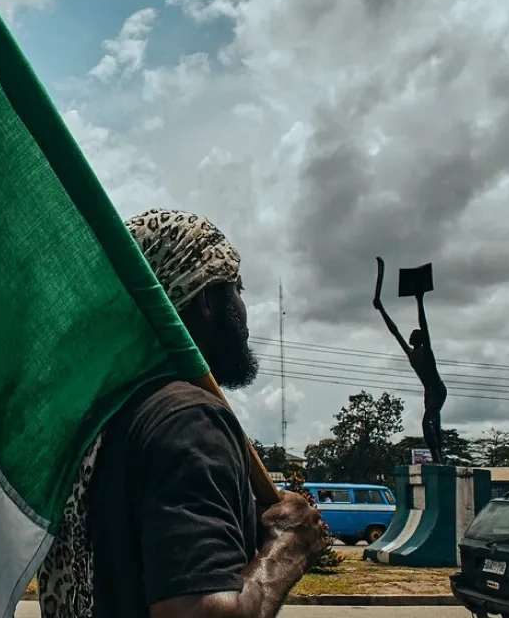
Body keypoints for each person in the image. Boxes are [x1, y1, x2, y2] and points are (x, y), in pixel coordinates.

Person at [38, 209, 328, 618]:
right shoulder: (188, 420)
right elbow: (195, 611)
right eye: (237, 288)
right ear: (207, 298)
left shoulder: (100, 419)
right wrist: (288, 549)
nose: (245, 310)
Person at [373, 289, 448, 464]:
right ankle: (439, 456)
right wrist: (381, 309)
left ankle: (437, 458)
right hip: (428, 392)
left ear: (420, 339)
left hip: (438, 390)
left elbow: (424, 325)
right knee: (434, 423)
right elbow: (395, 331)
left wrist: (419, 301)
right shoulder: (411, 353)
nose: (410, 335)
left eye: (414, 334)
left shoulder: (426, 352)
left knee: (427, 422)